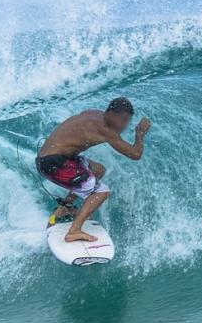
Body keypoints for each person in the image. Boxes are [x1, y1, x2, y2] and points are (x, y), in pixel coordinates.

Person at [35, 97, 151, 242]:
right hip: (53, 164)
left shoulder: (94, 114)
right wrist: (140, 134)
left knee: (98, 170)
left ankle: (66, 207)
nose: (124, 125)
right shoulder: (105, 130)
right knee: (101, 192)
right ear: (111, 113)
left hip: (49, 159)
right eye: (123, 119)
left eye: (127, 121)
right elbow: (135, 154)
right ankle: (74, 231)